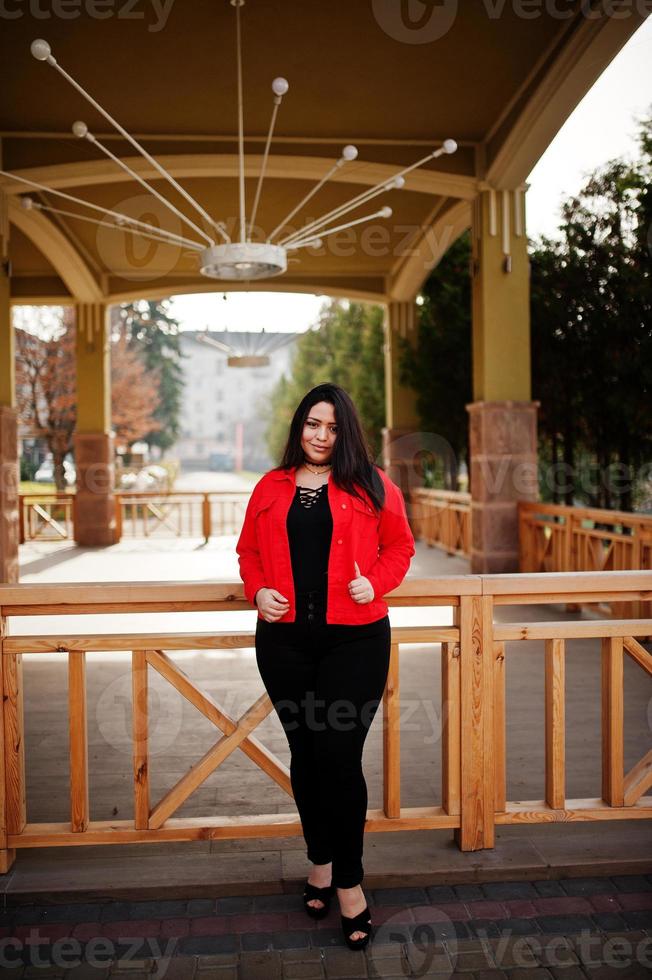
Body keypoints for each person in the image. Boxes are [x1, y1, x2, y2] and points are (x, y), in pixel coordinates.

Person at [236, 382, 415, 950]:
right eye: (313, 424)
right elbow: (249, 552)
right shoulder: (270, 486)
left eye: (333, 428)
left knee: (338, 755)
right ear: (299, 428)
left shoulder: (371, 485)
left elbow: (400, 548)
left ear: (347, 433)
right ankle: (319, 860)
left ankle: (350, 883)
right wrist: (257, 590)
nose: (321, 436)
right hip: (284, 642)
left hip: (355, 641)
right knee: (305, 754)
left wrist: (376, 582)